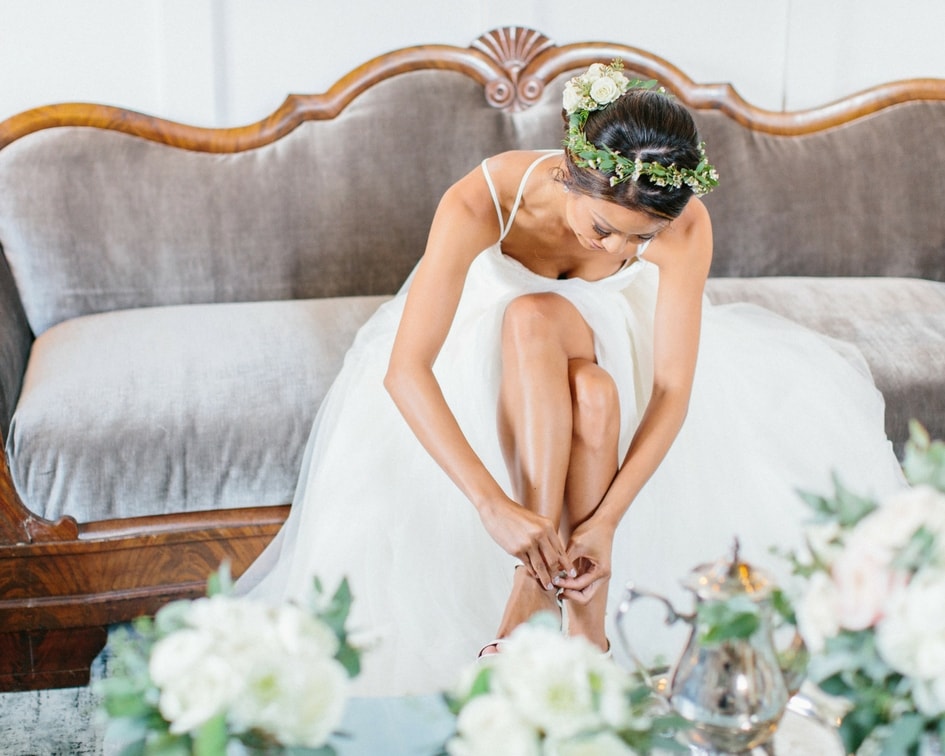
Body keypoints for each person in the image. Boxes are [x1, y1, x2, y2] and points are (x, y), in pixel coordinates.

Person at [236, 62, 904, 695]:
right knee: (566, 361)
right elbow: (404, 372)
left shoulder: (684, 223)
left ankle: (533, 593)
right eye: (606, 229)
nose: (619, 251)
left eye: (639, 242)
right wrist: (492, 505)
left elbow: (671, 389)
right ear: (568, 175)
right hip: (493, 364)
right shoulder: (484, 199)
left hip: (623, 349)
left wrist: (607, 522)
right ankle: (583, 622)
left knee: (589, 370)